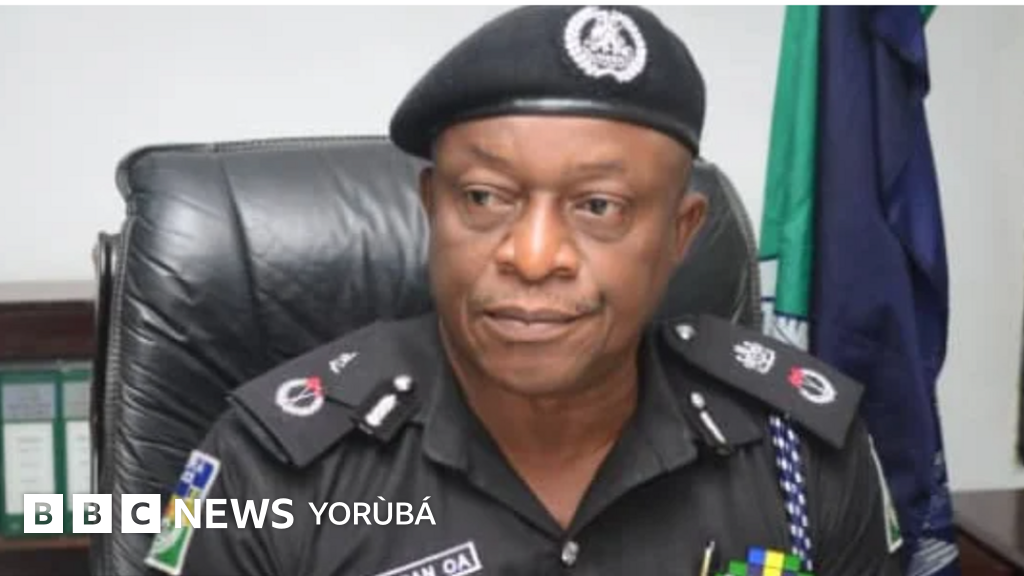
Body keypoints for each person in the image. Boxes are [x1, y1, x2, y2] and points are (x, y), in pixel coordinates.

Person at [144, 6, 903, 575]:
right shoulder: (276, 470)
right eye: (485, 198)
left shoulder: (797, 453)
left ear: (680, 233)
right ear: (432, 208)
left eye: (599, 206)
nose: (534, 257)